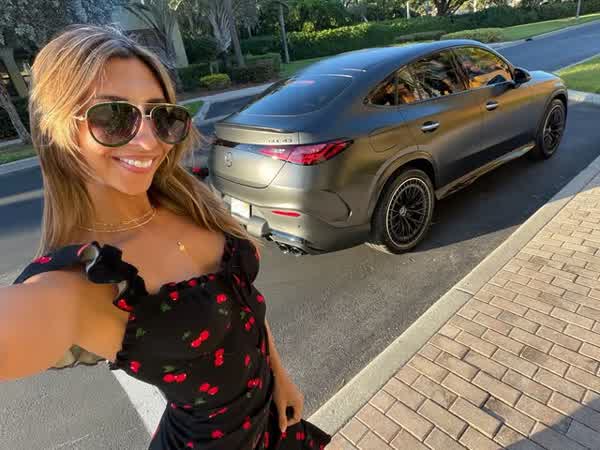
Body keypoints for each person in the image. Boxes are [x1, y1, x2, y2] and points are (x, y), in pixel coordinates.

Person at [0, 25, 330, 450]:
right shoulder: (81, 283)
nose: (148, 140)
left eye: (161, 116)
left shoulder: (189, 202)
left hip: (274, 423)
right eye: (113, 117)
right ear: (57, 129)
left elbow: (245, 302)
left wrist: (281, 379)